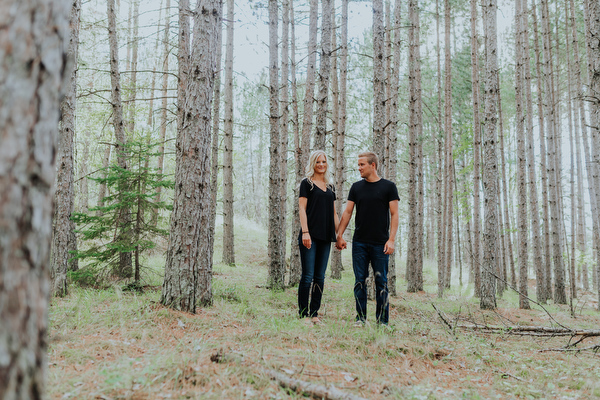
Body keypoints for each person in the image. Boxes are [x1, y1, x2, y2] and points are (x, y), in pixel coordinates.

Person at [336, 151, 399, 326]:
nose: (359, 168)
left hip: (381, 244)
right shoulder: (356, 187)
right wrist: (339, 235)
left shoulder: (389, 187)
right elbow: (348, 212)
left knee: (382, 282)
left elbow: (394, 214)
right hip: (360, 243)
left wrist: (391, 239)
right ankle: (361, 318)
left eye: (362, 164)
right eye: (358, 164)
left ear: (373, 165)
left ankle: (382, 322)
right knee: (359, 281)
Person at [298, 150, 339, 323]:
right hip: (310, 235)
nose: (321, 165)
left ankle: (314, 314)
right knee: (308, 275)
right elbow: (302, 208)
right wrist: (305, 232)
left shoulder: (330, 186)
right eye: (317, 162)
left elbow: (334, 213)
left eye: (323, 162)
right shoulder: (306, 183)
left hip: (326, 236)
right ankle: (303, 315)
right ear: (312, 164)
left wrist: (340, 235)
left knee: (320, 277)